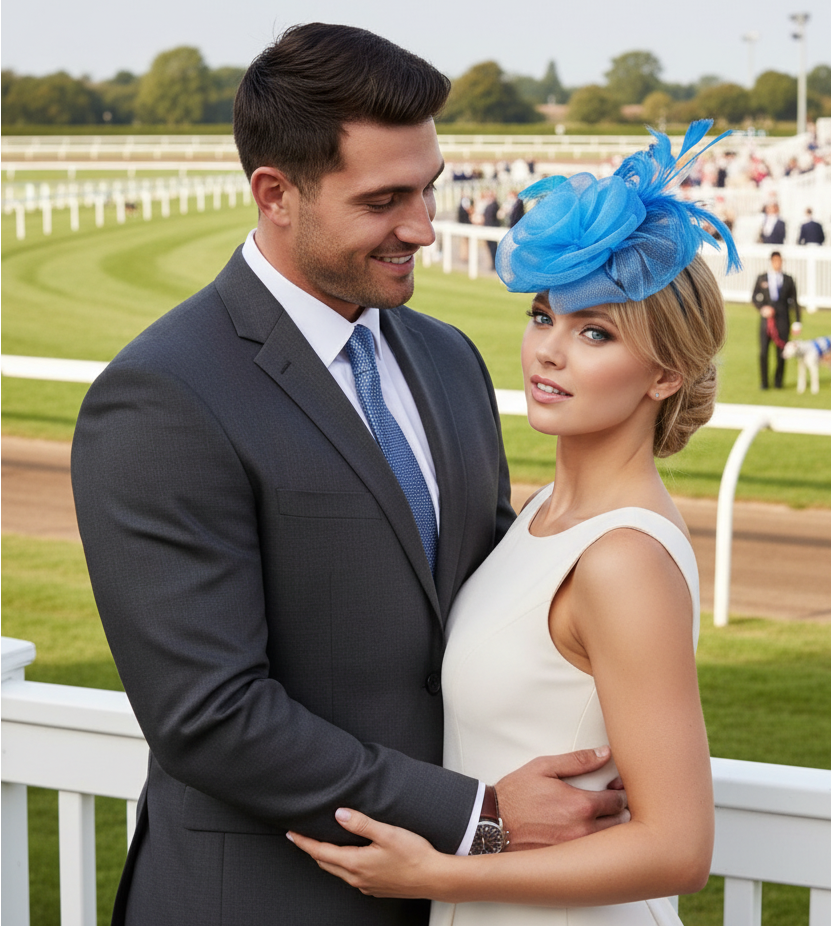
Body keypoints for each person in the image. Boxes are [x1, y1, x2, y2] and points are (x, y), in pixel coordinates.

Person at [71, 23, 627, 926]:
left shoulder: (447, 359)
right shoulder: (161, 396)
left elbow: (484, 603)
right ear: (275, 193)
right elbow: (210, 716)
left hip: (462, 901)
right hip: (261, 900)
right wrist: (480, 818)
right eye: (384, 200)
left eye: (429, 188)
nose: (424, 226)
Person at [289, 121, 741, 924]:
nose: (549, 353)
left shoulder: (623, 558)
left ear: (666, 372)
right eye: (544, 317)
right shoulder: (540, 512)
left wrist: (438, 872)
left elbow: (679, 848)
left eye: (594, 331)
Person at [752, 251, 801, 389]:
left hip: (783, 319)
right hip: (766, 321)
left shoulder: (788, 279)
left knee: (781, 351)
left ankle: (779, 381)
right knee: (763, 352)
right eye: (775, 261)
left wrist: (797, 321)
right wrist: (762, 308)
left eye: (779, 261)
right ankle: (764, 382)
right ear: (771, 261)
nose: (777, 263)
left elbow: (794, 301)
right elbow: (754, 297)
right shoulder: (762, 278)